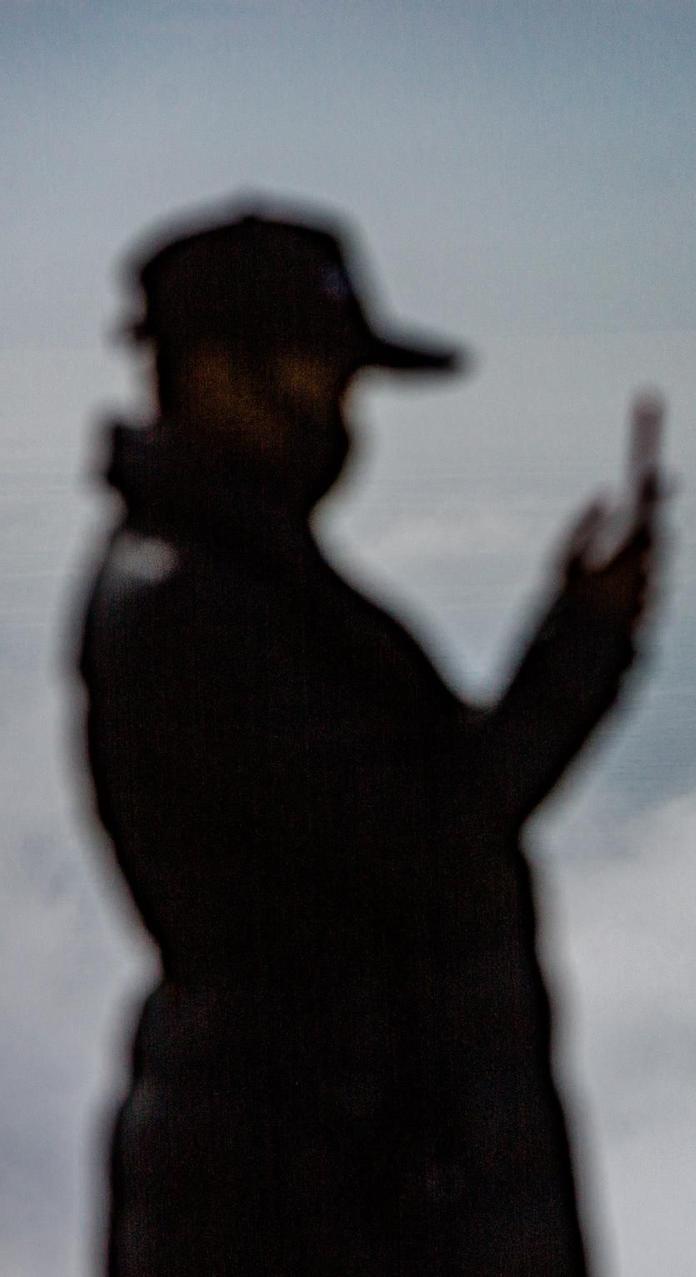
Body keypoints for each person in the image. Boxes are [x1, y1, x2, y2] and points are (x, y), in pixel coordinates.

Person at [75, 201, 663, 1275]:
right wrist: (580, 648)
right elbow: (422, 840)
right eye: (319, 369)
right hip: (317, 1209)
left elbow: (414, 816)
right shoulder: (192, 607)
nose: (343, 410)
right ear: (213, 370)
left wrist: (581, 638)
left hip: (355, 1189)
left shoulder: (244, 587)